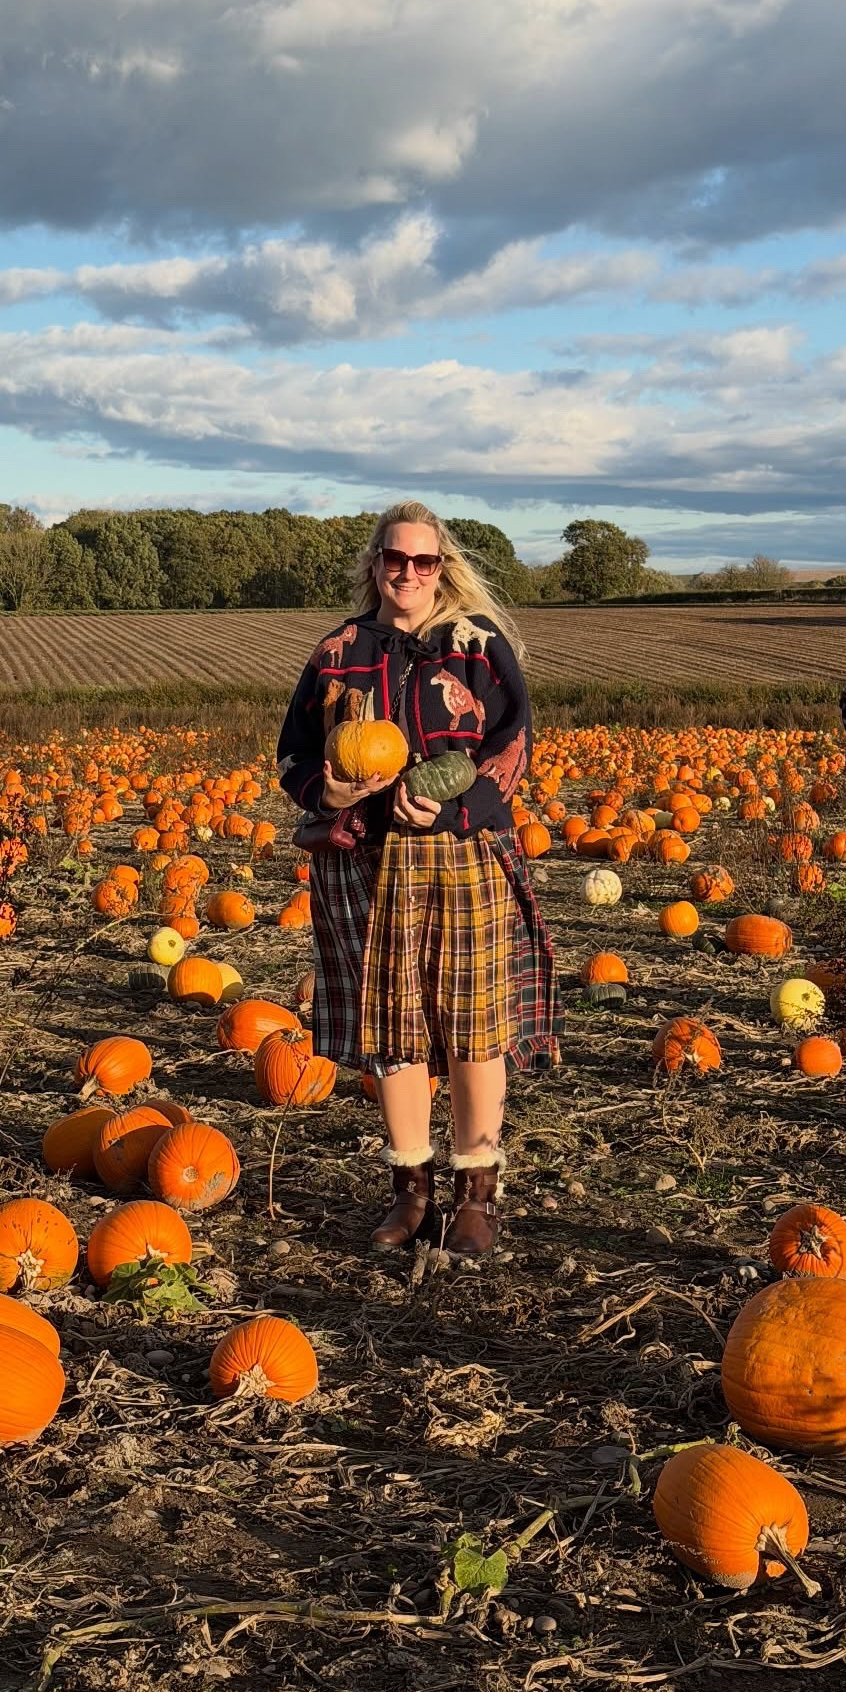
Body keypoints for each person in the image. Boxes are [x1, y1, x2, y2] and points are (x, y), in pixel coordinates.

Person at [276, 501, 559, 1261]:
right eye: (395, 560)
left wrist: (456, 800)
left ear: (442, 566)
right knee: (392, 1032)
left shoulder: (477, 646)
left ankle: (477, 1194)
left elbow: (512, 744)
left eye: (423, 561)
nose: (408, 573)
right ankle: (411, 1191)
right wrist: (326, 795)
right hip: (364, 860)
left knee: (473, 1026)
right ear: (375, 564)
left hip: (460, 854)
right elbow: (292, 756)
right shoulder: (338, 652)